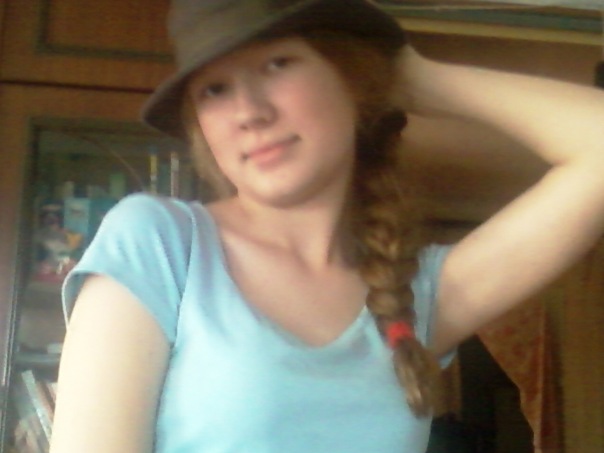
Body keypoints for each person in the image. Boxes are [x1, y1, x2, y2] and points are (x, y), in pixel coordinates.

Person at [49, 0, 604, 452]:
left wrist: (413, 77)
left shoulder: (419, 292)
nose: (249, 111)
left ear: (352, 80)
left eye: (277, 64)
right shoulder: (160, 243)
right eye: (214, 89)